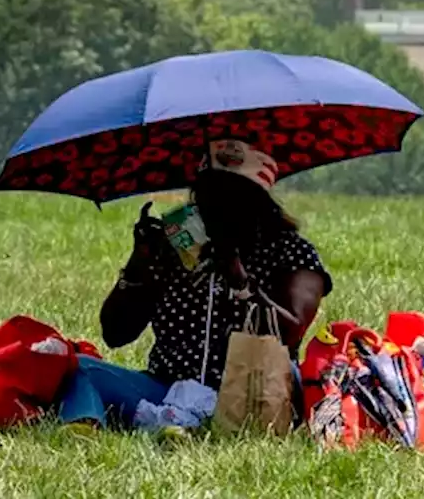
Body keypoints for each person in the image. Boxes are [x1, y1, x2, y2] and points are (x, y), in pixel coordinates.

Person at [58, 140, 332, 429]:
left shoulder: (290, 251)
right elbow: (116, 333)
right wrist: (139, 265)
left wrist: (238, 279)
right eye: (207, 196)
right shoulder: (179, 249)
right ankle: (83, 427)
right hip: (168, 390)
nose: (215, 208)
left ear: (256, 202)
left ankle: (176, 427)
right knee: (80, 369)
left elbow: (291, 330)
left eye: (229, 197)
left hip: (251, 395)